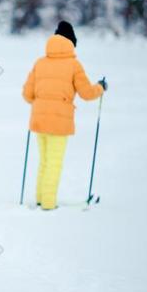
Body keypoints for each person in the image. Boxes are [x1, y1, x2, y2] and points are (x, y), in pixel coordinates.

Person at [23, 21, 107, 210]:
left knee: (44, 162)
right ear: (71, 43)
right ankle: (48, 204)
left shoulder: (40, 63)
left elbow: (27, 95)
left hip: (39, 121)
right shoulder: (73, 64)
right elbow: (87, 93)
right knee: (54, 163)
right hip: (59, 123)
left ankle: (40, 198)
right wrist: (101, 88)